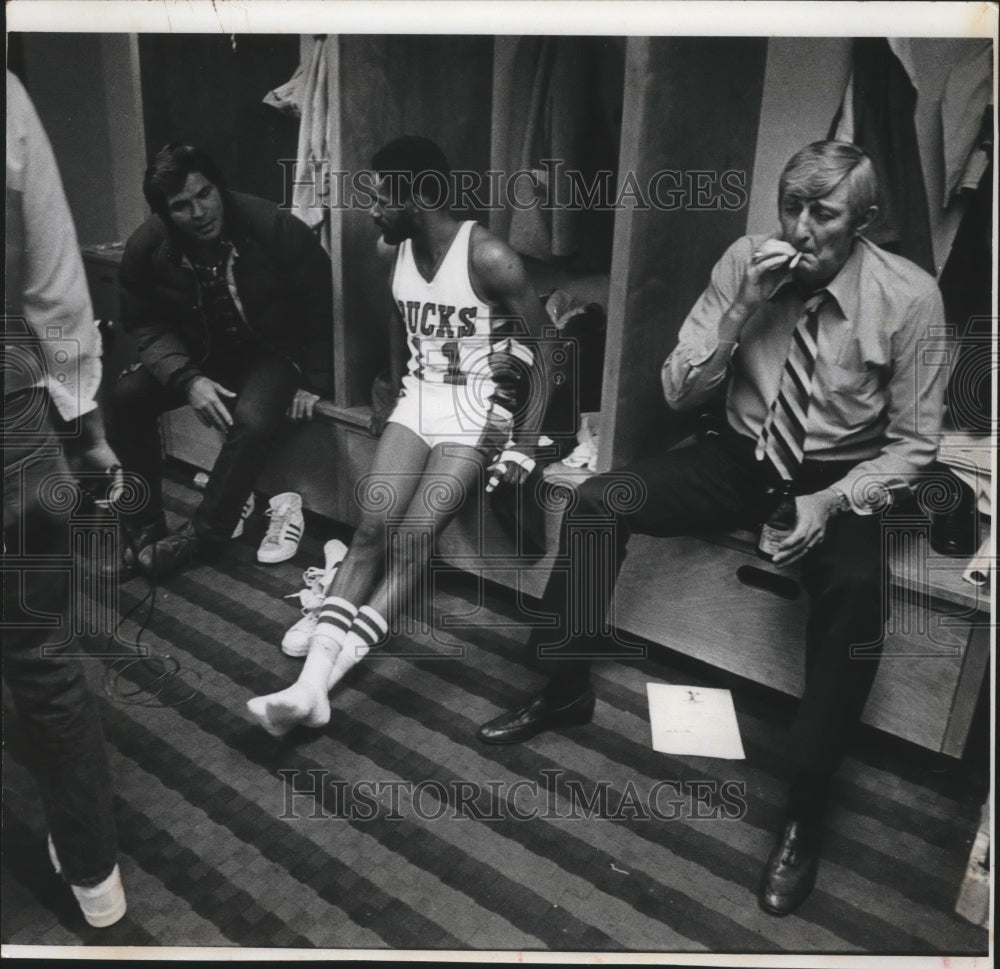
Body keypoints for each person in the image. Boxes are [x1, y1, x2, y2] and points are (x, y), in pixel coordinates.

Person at [477, 141, 949, 916]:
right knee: (601, 498)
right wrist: (740, 309)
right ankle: (564, 683)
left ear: (862, 222)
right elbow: (675, 386)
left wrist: (828, 504)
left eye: (821, 213)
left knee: (859, 588)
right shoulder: (745, 262)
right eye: (789, 206)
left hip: (842, 471)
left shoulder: (911, 297)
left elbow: (914, 445)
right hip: (741, 451)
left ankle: (807, 796)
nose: (798, 228)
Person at [247, 135, 553, 736]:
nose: (372, 210)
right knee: (370, 530)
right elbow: (399, 317)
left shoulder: (490, 257)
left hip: (475, 410)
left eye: (382, 196)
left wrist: (522, 441)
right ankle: (311, 689)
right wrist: (389, 392)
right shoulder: (397, 255)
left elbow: (547, 349)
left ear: (417, 197)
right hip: (420, 402)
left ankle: (315, 687)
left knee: (414, 538)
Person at [4, 70, 127, 927]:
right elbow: (55, 284)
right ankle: (98, 881)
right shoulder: (5, 96)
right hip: (12, 426)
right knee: (43, 657)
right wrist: (85, 430)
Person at [106, 143, 333, 579]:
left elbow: (323, 303)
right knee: (125, 397)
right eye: (181, 206)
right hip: (201, 354)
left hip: (270, 353)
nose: (200, 211)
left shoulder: (274, 227)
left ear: (218, 187)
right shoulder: (147, 246)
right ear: (164, 214)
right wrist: (187, 379)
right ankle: (144, 529)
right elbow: (144, 324)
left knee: (253, 420)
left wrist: (317, 377)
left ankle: (201, 537)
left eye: (204, 193)